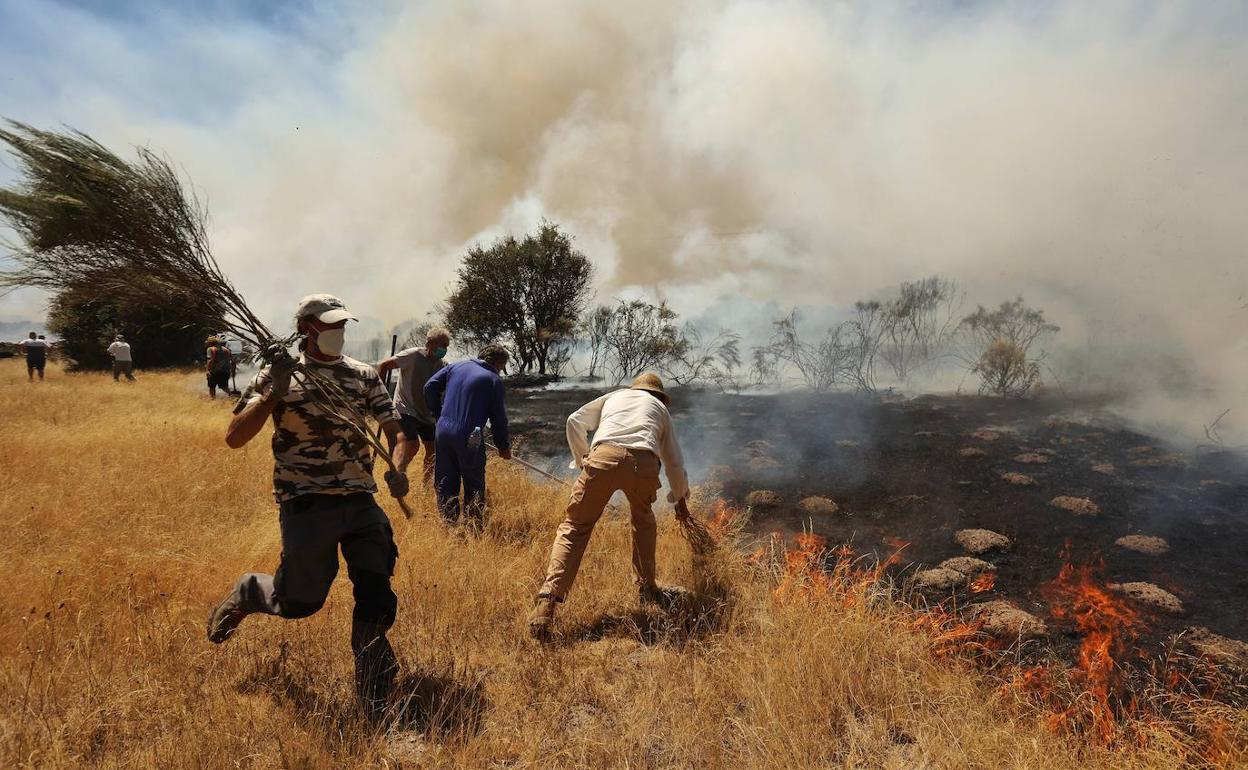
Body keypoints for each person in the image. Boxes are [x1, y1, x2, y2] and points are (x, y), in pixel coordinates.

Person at [205, 294, 411, 719]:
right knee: (300, 601)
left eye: (342, 325)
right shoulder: (277, 376)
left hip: (359, 499)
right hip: (305, 501)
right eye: (329, 325)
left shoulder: (363, 375)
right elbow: (234, 436)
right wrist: (272, 395)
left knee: (375, 586)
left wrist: (399, 465)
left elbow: (399, 431)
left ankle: (373, 687)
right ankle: (249, 591)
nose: (338, 332)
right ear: (305, 328)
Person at [527, 373, 691, 641]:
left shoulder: (615, 396)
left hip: (603, 457)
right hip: (643, 463)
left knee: (575, 527)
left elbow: (573, 421)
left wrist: (583, 460)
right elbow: (674, 460)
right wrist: (679, 498)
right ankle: (647, 587)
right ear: (659, 396)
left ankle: (548, 601)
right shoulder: (660, 409)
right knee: (643, 521)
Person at [423, 344, 512, 527]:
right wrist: (503, 446)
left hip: (442, 431)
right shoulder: (493, 379)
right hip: (471, 435)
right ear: (498, 364)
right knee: (473, 481)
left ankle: (448, 525)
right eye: (502, 368)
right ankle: (473, 527)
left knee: (446, 478)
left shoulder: (456, 366)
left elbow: (430, 386)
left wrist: (439, 414)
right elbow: (498, 419)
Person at [375, 328, 450, 485]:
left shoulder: (443, 366)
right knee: (413, 444)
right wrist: (380, 395)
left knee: (433, 451)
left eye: (447, 345)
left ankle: (425, 486)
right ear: (430, 344)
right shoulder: (414, 355)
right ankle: (397, 476)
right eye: (442, 345)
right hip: (405, 408)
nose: (445, 349)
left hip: (427, 414)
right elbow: (383, 365)